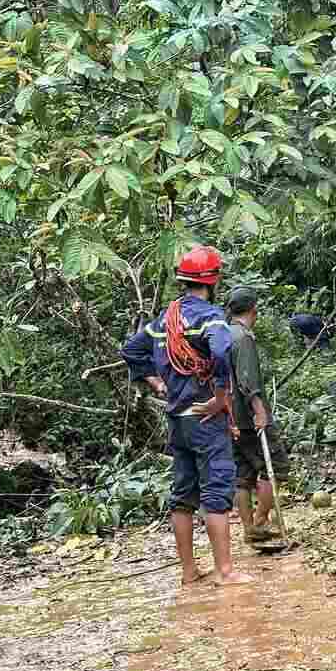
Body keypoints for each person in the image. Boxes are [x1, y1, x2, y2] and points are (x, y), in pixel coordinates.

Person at [120, 245, 249, 586]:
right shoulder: (210, 318)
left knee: (183, 494)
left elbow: (130, 350)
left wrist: (157, 383)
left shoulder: (164, 320)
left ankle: (189, 572)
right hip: (206, 417)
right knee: (217, 492)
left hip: (177, 418)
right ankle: (225, 572)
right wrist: (221, 397)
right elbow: (221, 352)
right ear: (213, 280)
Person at [226, 286, 291, 544]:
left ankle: (247, 527)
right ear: (253, 309)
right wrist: (260, 411)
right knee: (274, 465)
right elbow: (247, 379)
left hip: (230, 417)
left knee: (243, 473)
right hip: (248, 417)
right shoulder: (243, 338)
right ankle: (260, 522)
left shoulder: (223, 334)